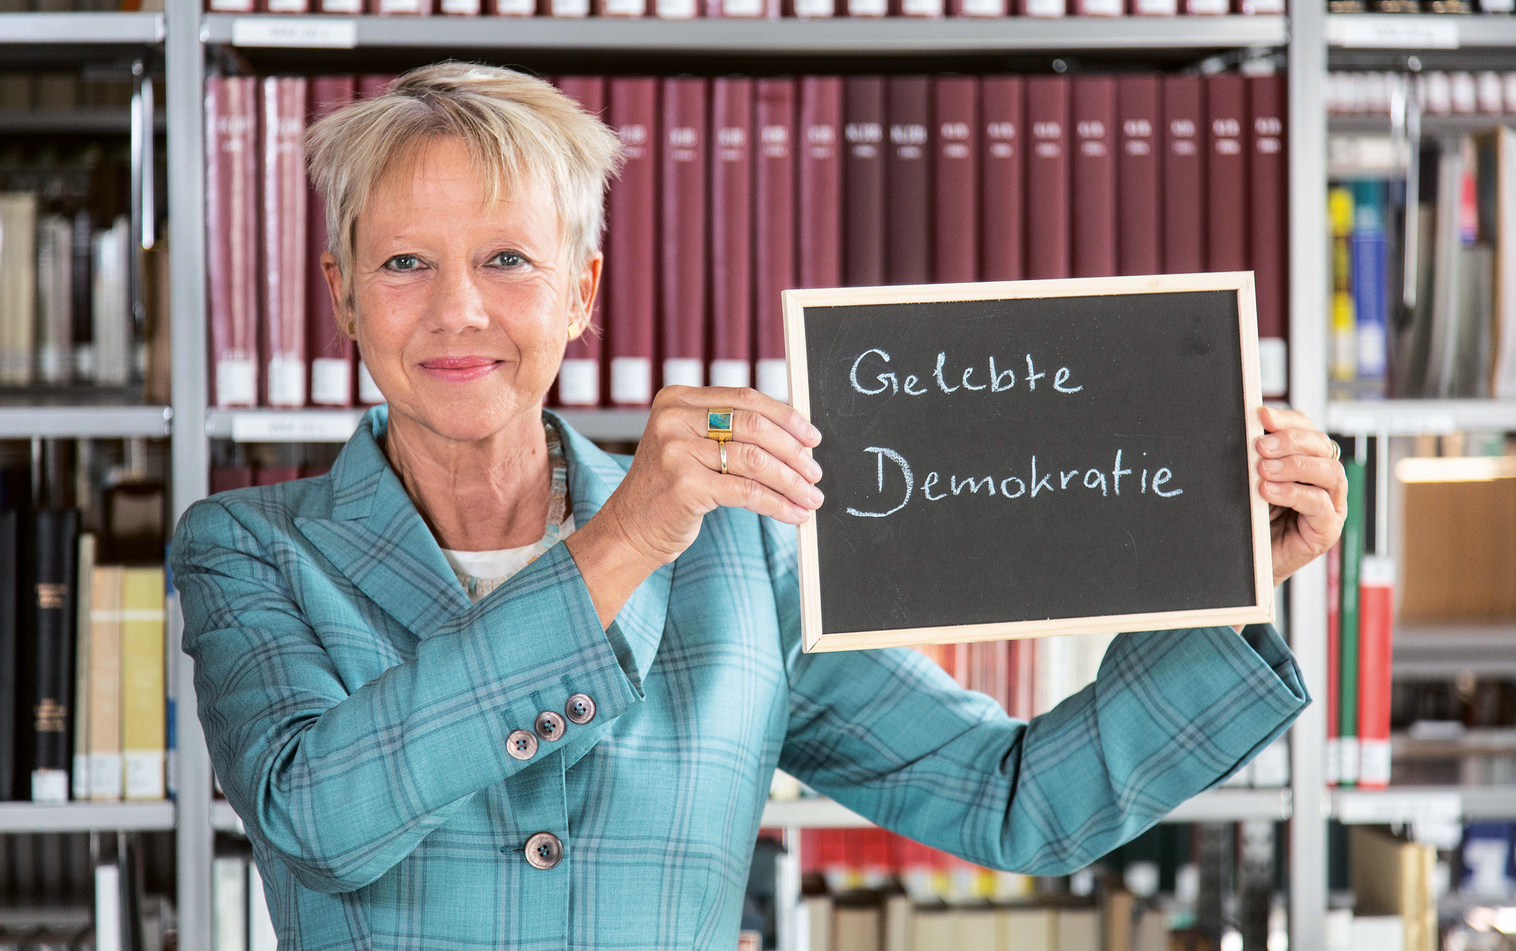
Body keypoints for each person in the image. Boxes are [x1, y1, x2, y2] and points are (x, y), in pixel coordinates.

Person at [168, 62, 1341, 950]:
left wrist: (1220, 562)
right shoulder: (247, 551)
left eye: (509, 261)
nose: (459, 312)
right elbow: (319, 817)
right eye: (405, 264)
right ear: (343, 296)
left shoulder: (740, 559)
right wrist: (624, 536)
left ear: (582, 293)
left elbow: (1017, 803)